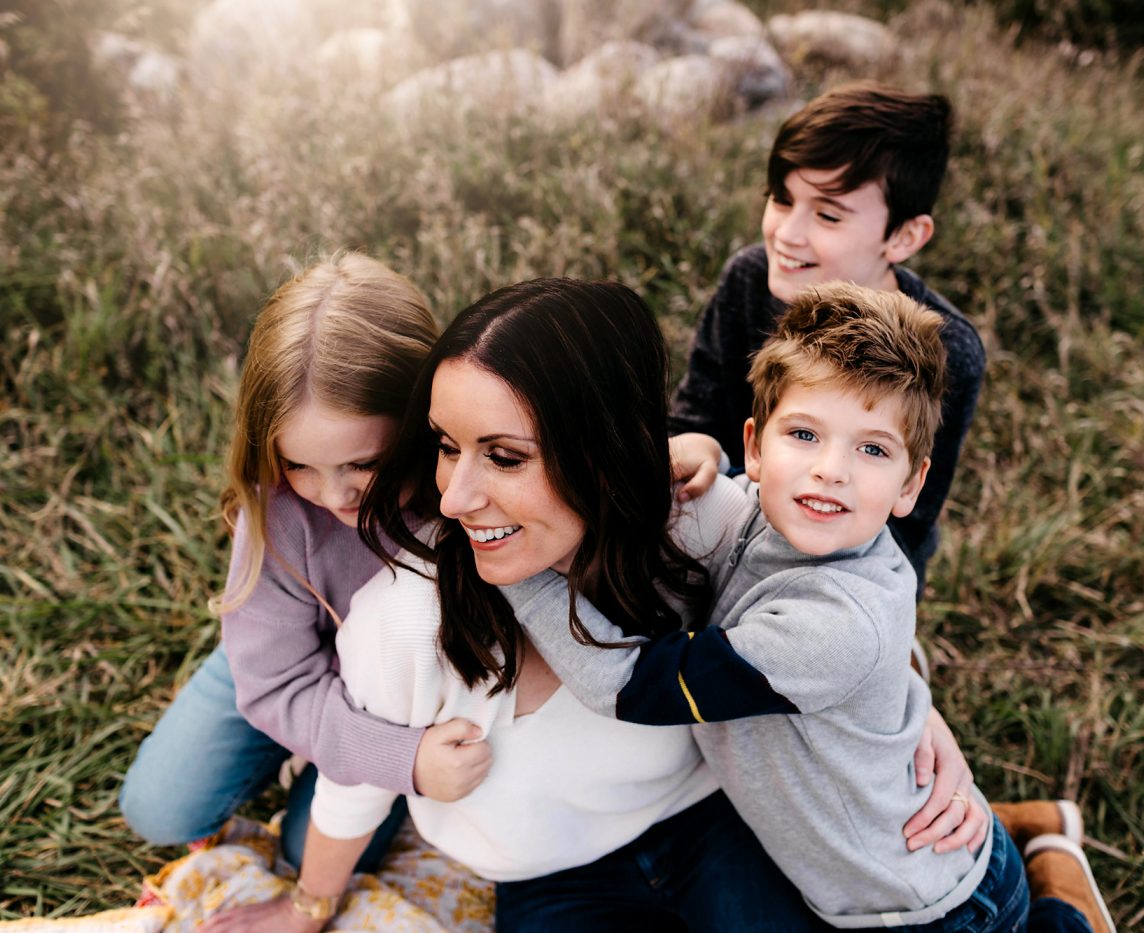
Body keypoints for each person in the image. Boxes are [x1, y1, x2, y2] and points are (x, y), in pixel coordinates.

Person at [202, 278, 985, 932]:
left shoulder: (700, 525)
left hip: (709, 824)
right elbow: (355, 777)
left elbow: (827, 603)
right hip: (551, 879)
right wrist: (309, 903)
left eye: (503, 456)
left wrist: (913, 707)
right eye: (445, 446)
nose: (455, 492)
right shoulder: (404, 614)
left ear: (601, 450)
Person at [514, 284, 1028, 930]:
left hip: (927, 908)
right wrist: (702, 450)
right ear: (756, 446)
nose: (830, 470)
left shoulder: (838, 623)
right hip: (874, 876)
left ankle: (1059, 888)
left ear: (912, 483)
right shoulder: (763, 515)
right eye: (805, 434)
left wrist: (519, 572)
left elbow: (632, 685)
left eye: (872, 448)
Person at [118, 253, 491, 871]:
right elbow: (276, 685)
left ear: (424, 420)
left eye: (364, 464)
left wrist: (688, 451)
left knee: (304, 849)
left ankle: (342, 761)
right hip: (286, 660)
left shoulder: (468, 485)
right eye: (300, 464)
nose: (336, 495)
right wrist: (400, 757)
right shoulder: (281, 511)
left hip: (406, 694)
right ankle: (332, 750)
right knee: (158, 807)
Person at [668, 80, 986, 597]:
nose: (787, 233)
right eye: (781, 198)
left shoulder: (949, 350)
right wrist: (698, 446)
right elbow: (695, 420)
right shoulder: (750, 277)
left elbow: (906, 519)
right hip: (735, 513)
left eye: (827, 214)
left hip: (851, 569)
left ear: (904, 237)